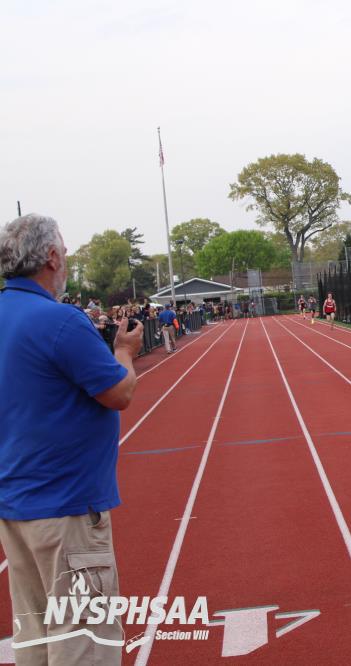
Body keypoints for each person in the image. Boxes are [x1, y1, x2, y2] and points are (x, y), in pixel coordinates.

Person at [0, 214, 145, 664]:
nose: (65, 257)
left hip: (14, 506)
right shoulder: (60, 320)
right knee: (83, 640)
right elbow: (118, 393)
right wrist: (124, 352)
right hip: (66, 507)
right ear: (50, 257)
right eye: (63, 250)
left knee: (36, 637)